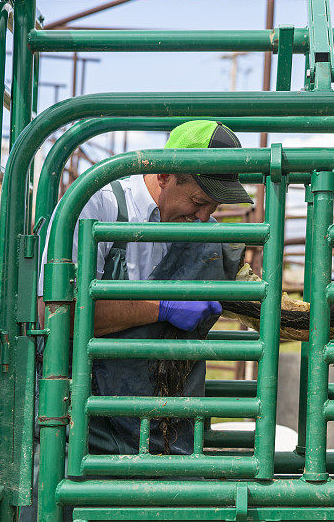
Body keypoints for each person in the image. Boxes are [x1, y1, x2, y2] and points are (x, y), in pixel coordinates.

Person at [35, 119, 254, 457]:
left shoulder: (209, 235)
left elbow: (261, 297)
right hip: (83, 426)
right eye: (198, 201)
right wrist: (160, 306)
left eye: (214, 207)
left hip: (168, 432)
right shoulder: (99, 206)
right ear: (164, 175)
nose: (204, 217)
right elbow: (52, 313)